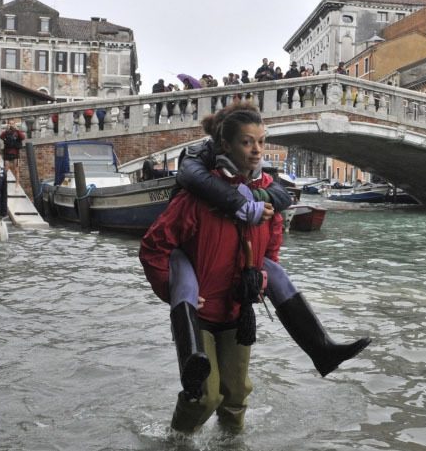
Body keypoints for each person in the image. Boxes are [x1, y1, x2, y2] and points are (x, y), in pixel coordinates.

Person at [141, 100, 370, 434]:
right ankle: (175, 441)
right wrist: (169, 290)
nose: (257, 150)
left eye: (261, 142)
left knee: (235, 398)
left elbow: (271, 246)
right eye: (247, 142)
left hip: (238, 310)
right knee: (205, 397)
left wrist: (263, 276)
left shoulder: (266, 198)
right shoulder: (196, 199)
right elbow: (153, 247)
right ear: (225, 145)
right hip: (200, 313)